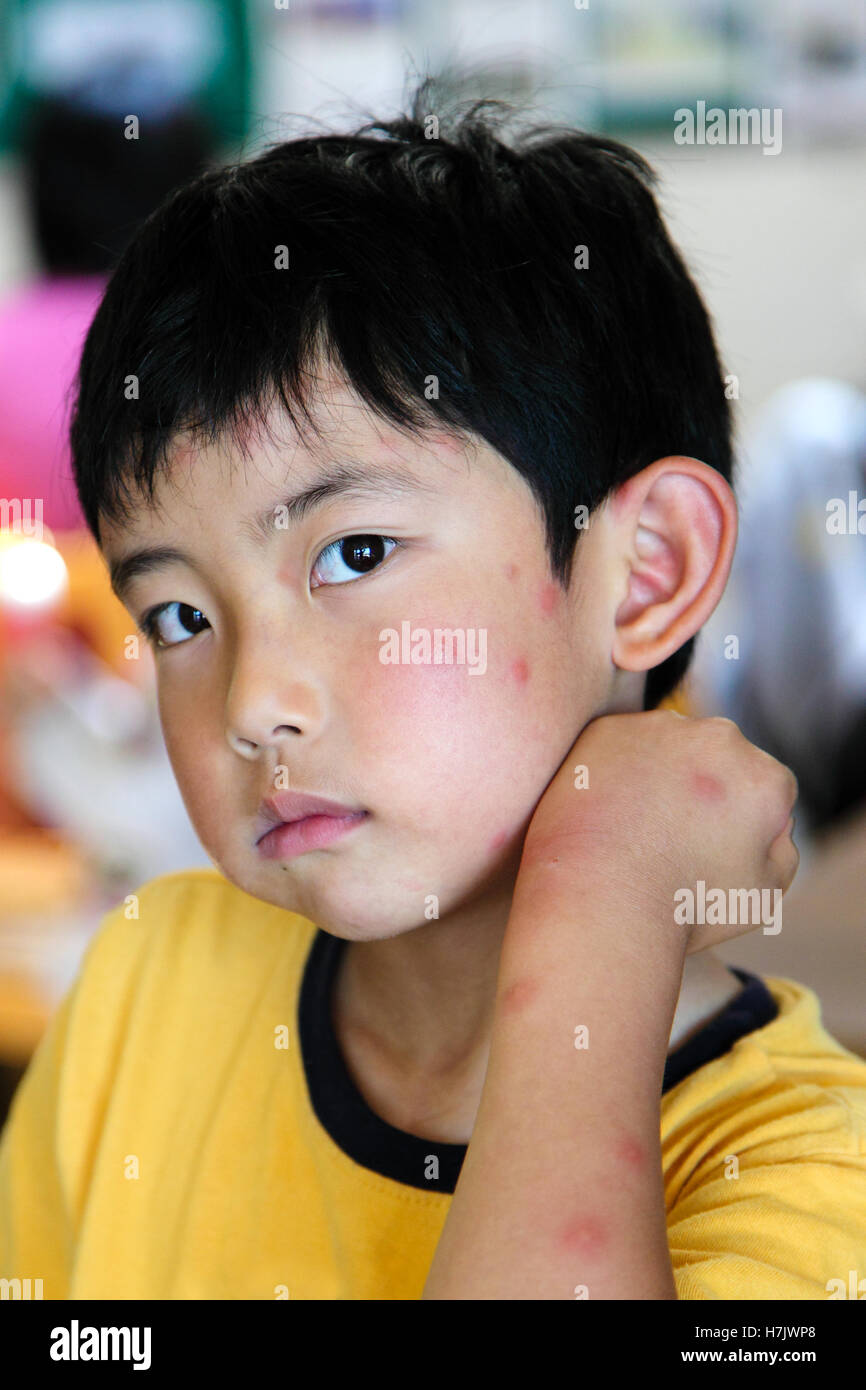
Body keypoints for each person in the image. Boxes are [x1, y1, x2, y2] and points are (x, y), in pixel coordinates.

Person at [1, 74, 864, 1301]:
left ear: (646, 570)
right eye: (180, 616)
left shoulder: (801, 1173)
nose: (251, 704)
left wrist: (610, 897)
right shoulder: (149, 987)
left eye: (352, 553)